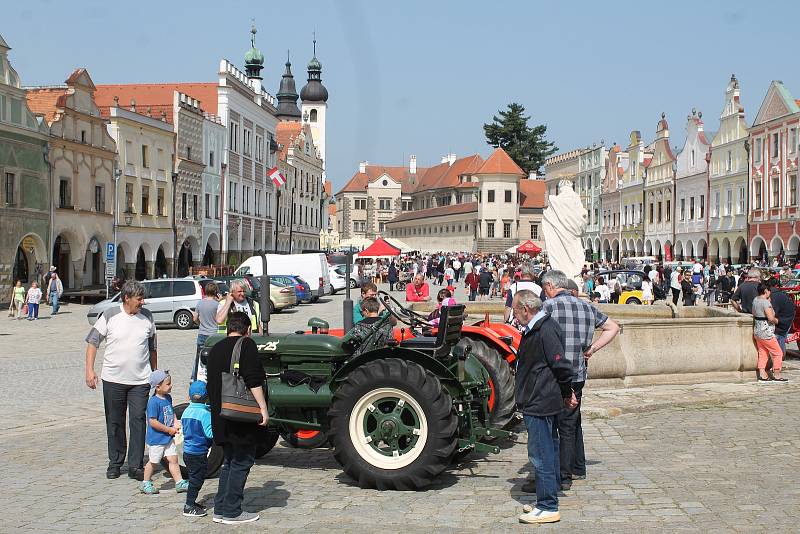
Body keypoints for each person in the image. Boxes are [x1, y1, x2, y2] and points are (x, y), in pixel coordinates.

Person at [534, 270, 620, 492]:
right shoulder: (587, 307)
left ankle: (554, 474)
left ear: (551, 286)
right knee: (569, 425)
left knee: (550, 425)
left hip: (553, 375)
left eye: (545, 289)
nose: (546, 294)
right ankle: (568, 475)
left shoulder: (548, 308)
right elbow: (613, 327)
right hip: (577, 375)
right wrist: (591, 349)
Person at [512, 289, 577, 525]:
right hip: (539, 398)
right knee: (545, 452)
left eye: (516, 310)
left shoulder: (545, 329)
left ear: (526, 310)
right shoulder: (539, 327)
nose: (514, 314)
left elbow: (561, 365)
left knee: (542, 454)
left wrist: (566, 392)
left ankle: (548, 505)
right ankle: (545, 499)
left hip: (540, 400)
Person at [85, 280, 157, 481]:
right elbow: (92, 342)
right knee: (115, 421)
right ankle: (115, 462)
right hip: (113, 379)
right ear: (127, 298)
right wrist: (89, 371)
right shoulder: (110, 315)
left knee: (138, 421)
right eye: (139, 298)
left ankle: (135, 465)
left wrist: (155, 373)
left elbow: (153, 347)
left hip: (140, 380)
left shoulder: (147, 317)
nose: (142, 302)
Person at [206, 312, 268, 525]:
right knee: (242, 461)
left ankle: (221, 508)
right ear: (247, 330)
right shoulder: (246, 345)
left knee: (230, 462)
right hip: (240, 416)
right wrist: (263, 408)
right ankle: (232, 511)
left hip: (221, 414)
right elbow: (252, 379)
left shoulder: (216, 348)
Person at [140, 369, 188, 494]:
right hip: (157, 439)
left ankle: (179, 482)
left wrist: (176, 421)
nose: (171, 385)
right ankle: (145, 482)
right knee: (154, 462)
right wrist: (169, 429)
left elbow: (171, 412)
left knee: (173, 459)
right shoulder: (153, 402)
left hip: (167, 438)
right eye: (168, 384)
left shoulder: (168, 398)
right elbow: (153, 422)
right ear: (158, 387)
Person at [181, 380, 214, 517]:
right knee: (196, 480)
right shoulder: (205, 414)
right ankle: (189, 505)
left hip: (187, 452)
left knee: (194, 477)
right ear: (207, 396)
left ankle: (192, 502)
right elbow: (209, 433)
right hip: (198, 453)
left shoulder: (186, 411)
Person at [751, 284, 787, 382]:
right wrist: (778, 321)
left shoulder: (755, 300)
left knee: (763, 352)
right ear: (766, 291)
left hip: (757, 330)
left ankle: (762, 374)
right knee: (778, 353)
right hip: (766, 331)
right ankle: (777, 374)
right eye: (769, 290)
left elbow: (753, 313)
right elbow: (771, 318)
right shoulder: (766, 302)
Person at [193, 281, 221, 381]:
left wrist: (200, 324)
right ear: (215, 292)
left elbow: (195, 318)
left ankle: (194, 377)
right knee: (214, 359)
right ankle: (213, 377)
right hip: (213, 335)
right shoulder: (217, 304)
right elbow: (220, 319)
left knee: (199, 358)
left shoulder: (200, 303)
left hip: (202, 334)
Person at [766, 277, 795, 365]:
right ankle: (779, 361)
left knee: (779, 340)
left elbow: (772, 313)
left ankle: (778, 363)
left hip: (782, 321)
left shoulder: (773, 296)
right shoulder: (779, 294)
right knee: (780, 339)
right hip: (787, 318)